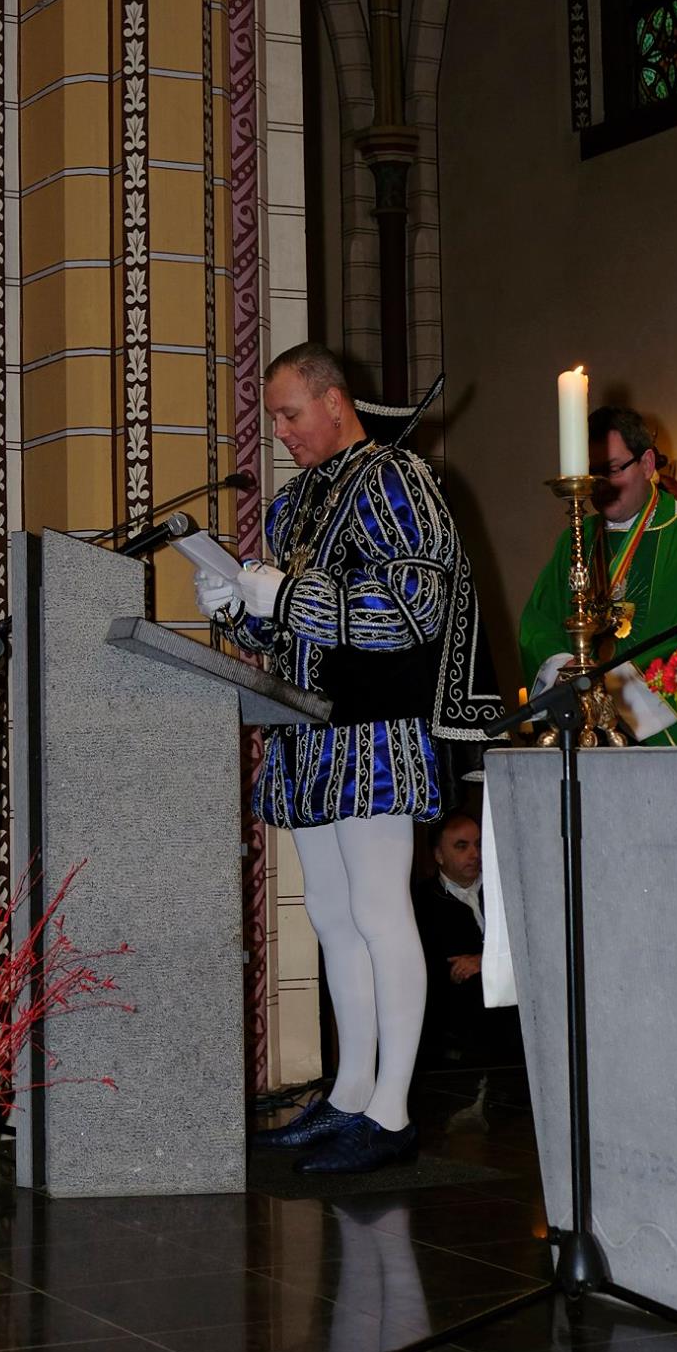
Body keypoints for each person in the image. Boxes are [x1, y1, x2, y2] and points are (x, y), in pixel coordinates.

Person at [197, 342, 505, 1175]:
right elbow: (292, 633)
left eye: (290, 414)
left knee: (377, 910)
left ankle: (391, 1112)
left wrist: (284, 593)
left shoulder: (395, 476)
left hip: (375, 730)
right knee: (332, 917)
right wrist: (236, 608)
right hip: (307, 729)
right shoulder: (294, 503)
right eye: (274, 419)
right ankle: (349, 1095)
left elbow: (413, 606)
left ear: (334, 402)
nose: (281, 432)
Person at [519, 405, 677, 744]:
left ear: (647, 464)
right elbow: (539, 622)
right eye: (592, 473)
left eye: (612, 470)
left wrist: (619, 686)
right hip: (584, 730)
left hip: (667, 734)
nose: (600, 485)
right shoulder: (576, 539)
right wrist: (567, 669)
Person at [413, 812, 520, 1065]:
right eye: (462, 846)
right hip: (454, 1029)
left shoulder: (506, 889)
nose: (475, 854)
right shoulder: (420, 902)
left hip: (513, 1018)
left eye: (479, 844)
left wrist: (483, 961)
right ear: (439, 855)